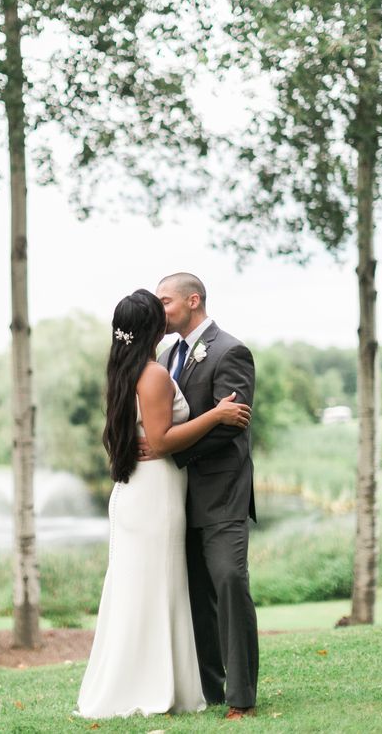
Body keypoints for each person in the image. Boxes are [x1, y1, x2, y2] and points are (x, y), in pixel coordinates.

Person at [77, 288, 251, 719]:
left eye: (167, 299)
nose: (165, 311)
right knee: (153, 590)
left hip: (143, 491)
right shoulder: (154, 372)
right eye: (160, 308)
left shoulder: (126, 369)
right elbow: (159, 441)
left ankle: (147, 682)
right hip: (154, 492)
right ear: (153, 325)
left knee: (142, 589)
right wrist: (214, 414)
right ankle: (152, 686)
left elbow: (143, 435)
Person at [152, 272, 259, 720]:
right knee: (194, 594)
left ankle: (241, 698)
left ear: (192, 300)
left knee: (229, 583)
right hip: (175, 499)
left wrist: (171, 450)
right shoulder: (163, 354)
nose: (160, 310)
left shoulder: (229, 350)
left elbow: (231, 424)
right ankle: (209, 690)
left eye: (165, 302)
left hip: (221, 493)